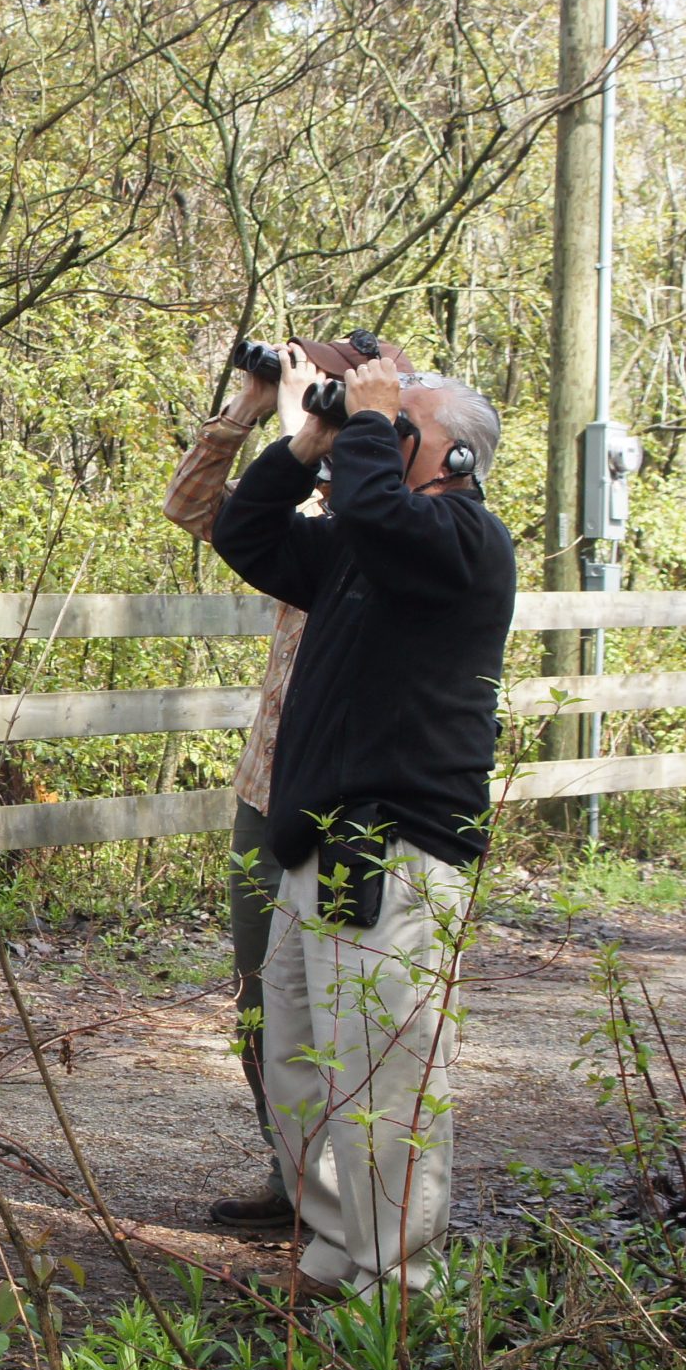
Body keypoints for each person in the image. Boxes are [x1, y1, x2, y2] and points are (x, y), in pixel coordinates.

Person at [210, 357, 514, 1298]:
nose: (369, 437)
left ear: (455, 455)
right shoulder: (359, 545)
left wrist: (371, 418)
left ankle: (395, 1290)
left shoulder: (463, 539)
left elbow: (386, 515)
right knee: (300, 1067)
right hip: (320, 843)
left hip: (399, 848)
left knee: (382, 1080)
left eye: (399, 428)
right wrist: (308, 437)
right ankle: (337, 1256)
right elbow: (244, 530)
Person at [162, 331, 411, 1233]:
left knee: (348, 1004)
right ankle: (295, 1175)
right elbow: (193, 509)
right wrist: (251, 412)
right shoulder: (302, 509)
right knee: (262, 999)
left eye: (327, 383)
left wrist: (352, 430)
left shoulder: (384, 520)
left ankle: (354, 1201)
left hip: (350, 801)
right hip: (267, 788)